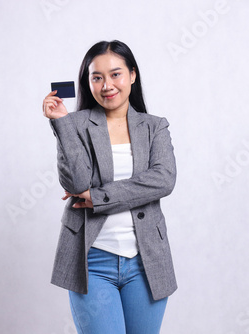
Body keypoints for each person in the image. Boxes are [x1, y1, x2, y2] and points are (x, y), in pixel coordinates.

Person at [42, 40, 177, 334]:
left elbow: (163, 179)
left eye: (115, 74)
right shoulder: (75, 124)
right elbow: (77, 182)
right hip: (92, 261)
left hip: (146, 262)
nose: (107, 85)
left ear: (132, 75)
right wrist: (61, 124)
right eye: (97, 77)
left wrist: (99, 196)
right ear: (87, 82)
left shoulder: (155, 127)